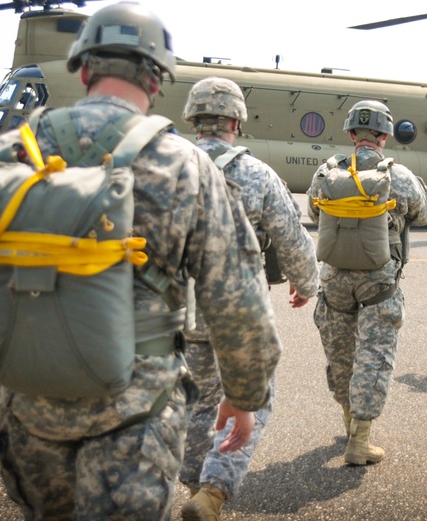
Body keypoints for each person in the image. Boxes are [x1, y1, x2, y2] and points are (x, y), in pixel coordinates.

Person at [0, 2, 281, 519]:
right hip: (137, 413)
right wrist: (245, 394)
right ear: (158, 79)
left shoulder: (13, 152)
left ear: (82, 68)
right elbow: (237, 298)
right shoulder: (185, 165)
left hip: (27, 407)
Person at [179, 77, 319, 520]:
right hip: (239, 308)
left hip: (177, 307)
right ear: (236, 121)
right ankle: (213, 489)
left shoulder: (165, 167)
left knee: (195, 397)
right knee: (251, 395)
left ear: (193, 119)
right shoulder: (257, 173)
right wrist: (307, 284)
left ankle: (192, 479)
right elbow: (292, 240)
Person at [306, 100, 427, 466]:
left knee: (341, 352)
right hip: (379, 280)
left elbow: (314, 212)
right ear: (384, 136)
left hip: (334, 279)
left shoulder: (326, 172)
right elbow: (422, 214)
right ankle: (359, 441)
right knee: (374, 354)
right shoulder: (399, 175)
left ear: (350, 134)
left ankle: (347, 421)